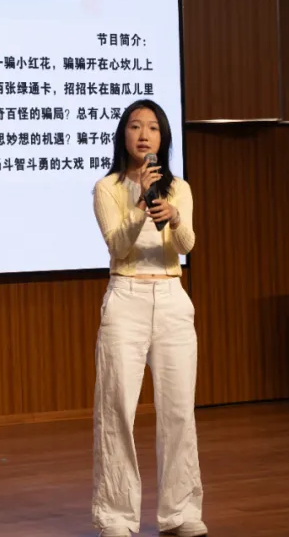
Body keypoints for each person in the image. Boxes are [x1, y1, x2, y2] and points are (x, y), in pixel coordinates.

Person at [90, 99, 206, 537]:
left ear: (163, 138)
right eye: (135, 126)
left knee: (178, 410)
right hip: (127, 297)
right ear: (123, 135)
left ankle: (180, 513)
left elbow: (186, 246)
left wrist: (173, 217)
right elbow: (118, 247)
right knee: (117, 408)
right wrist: (140, 205)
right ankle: (116, 517)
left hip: (172, 298)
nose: (144, 135)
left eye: (153, 128)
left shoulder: (180, 189)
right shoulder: (107, 187)